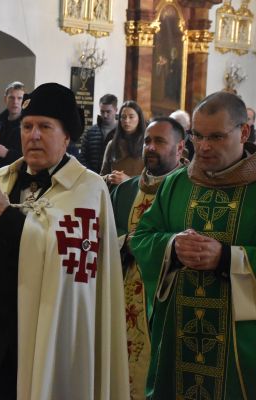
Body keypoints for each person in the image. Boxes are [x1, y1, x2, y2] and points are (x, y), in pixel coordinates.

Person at [130, 91, 256, 399]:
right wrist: (172, 246)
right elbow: (142, 237)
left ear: (244, 132)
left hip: (244, 345)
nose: (203, 147)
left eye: (217, 137)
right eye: (198, 136)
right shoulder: (176, 183)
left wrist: (227, 259)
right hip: (180, 336)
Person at [0, 82, 129, 400]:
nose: (33, 135)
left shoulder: (87, 189)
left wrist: (4, 212)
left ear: (66, 136)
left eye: (44, 127)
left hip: (53, 335)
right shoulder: (1, 180)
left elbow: (65, 262)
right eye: (27, 126)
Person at [110, 117, 188, 400]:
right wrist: (124, 242)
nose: (150, 148)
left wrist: (141, 245)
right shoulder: (125, 190)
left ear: (180, 148)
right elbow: (107, 232)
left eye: (159, 142)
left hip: (162, 296)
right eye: (147, 141)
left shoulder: (189, 191)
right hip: (120, 290)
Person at [101, 100, 146, 188]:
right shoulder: (112, 144)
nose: (126, 121)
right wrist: (109, 177)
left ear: (139, 118)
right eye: (123, 117)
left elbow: (152, 178)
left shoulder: (146, 144)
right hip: (114, 194)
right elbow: (102, 176)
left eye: (131, 117)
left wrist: (128, 180)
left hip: (137, 194)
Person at [79, 93, 118, 173]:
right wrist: (91, 174)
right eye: (102, 111)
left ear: (116, 110)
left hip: (114, 178)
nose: (105, 115)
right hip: (92, 177)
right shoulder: (90, 132)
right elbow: (82, 156)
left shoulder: (122, 132)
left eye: (108, 112)